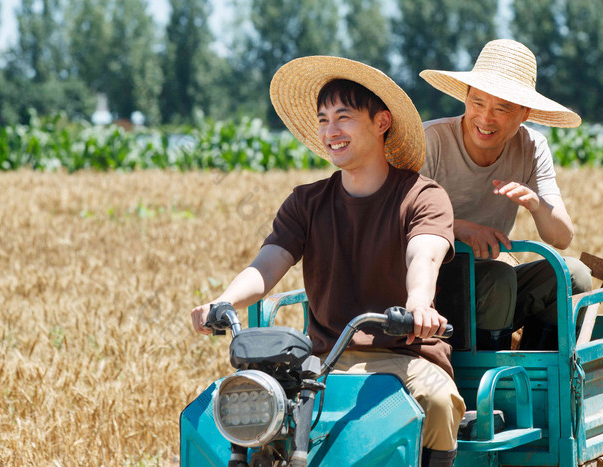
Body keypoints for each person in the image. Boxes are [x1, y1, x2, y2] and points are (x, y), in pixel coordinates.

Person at [191, 56, 465, 466]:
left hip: (403, 356)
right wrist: (223, 302)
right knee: (236, 416)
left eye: (344, 117)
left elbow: (423, 255)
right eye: (322, 120)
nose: (330, 131)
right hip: (320, 363)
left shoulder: (422, 196)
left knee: (440, 402)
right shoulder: (306, 202)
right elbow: (267, 265)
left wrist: (419, 305)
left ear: (382, 122)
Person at [418, 39, 592, 350]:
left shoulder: (532, 147)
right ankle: (485, 379)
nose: (486, 118)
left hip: (493, 285)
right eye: (478, 103)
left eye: (502, 108)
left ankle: (540, 381)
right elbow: (393, 218)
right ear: (465, 99)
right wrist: (460, 228)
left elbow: (562, 238)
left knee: (574, 275)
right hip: (426, 284)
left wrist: (537, 205)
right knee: (499, 277)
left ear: (525, 112)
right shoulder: (430, 142)